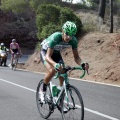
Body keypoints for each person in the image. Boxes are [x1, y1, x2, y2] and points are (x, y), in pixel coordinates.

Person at [40, 21, 89, 103]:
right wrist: (55, 64)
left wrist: (82, 64)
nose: (69, 37)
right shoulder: (56, 37)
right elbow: (48, 56)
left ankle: (58, 92)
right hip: (45, 52)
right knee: (52, 71)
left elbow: (76, 57)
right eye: (67, 33)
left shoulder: (73, 41)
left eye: (72, 35)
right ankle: (43, 90)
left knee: (63, 72)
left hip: (56, 53)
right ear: (62, 31)